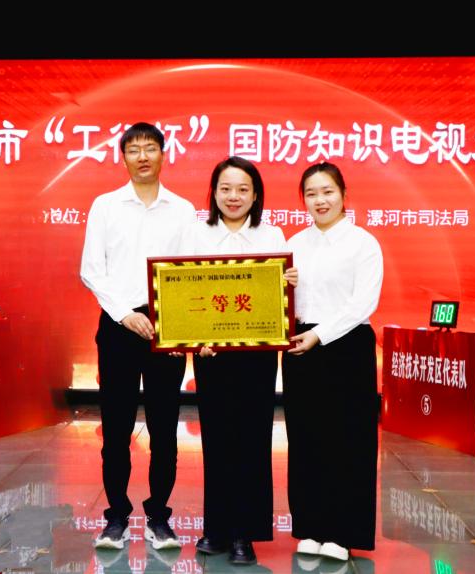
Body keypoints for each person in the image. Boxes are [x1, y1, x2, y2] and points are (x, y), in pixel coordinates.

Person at [80, 122, 196, 550]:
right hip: (118, 326)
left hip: (167, 328)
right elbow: (91, 270)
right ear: (123, 157)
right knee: (116, 428)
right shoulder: (105, 205)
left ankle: (159, 516)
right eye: (134, 149)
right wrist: (126, 314)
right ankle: (116, 516)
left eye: (150, 148)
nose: (143, 156)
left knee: (165, 428)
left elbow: (190, 269)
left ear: (164, 154)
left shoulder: (182, 210)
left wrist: (179, 325)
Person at [178, 156, 289, 566]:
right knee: (217, 439)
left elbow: (279, 295)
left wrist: (289, 283)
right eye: (225, 188)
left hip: (257, 355)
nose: (234, 196)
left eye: (243, 189)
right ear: (214, 193)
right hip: (212, 355)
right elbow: (181, 290)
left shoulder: (272, 234)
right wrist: (195, 338)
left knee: (253, 441)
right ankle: (218, 527)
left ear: (256, 195)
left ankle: (245, 533)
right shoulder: (196, 233)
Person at [282, 162, 383, 562]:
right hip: (300, 347)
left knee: (349, 441)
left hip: (346, 347)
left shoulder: (363, 243)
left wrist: (320, 335)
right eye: (311, 194)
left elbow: (363, 304)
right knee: (306, 439)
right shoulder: (295, 243)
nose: (320, 201)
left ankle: (342, 532)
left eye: (327, 192)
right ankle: (310, 527)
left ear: (343, 194)